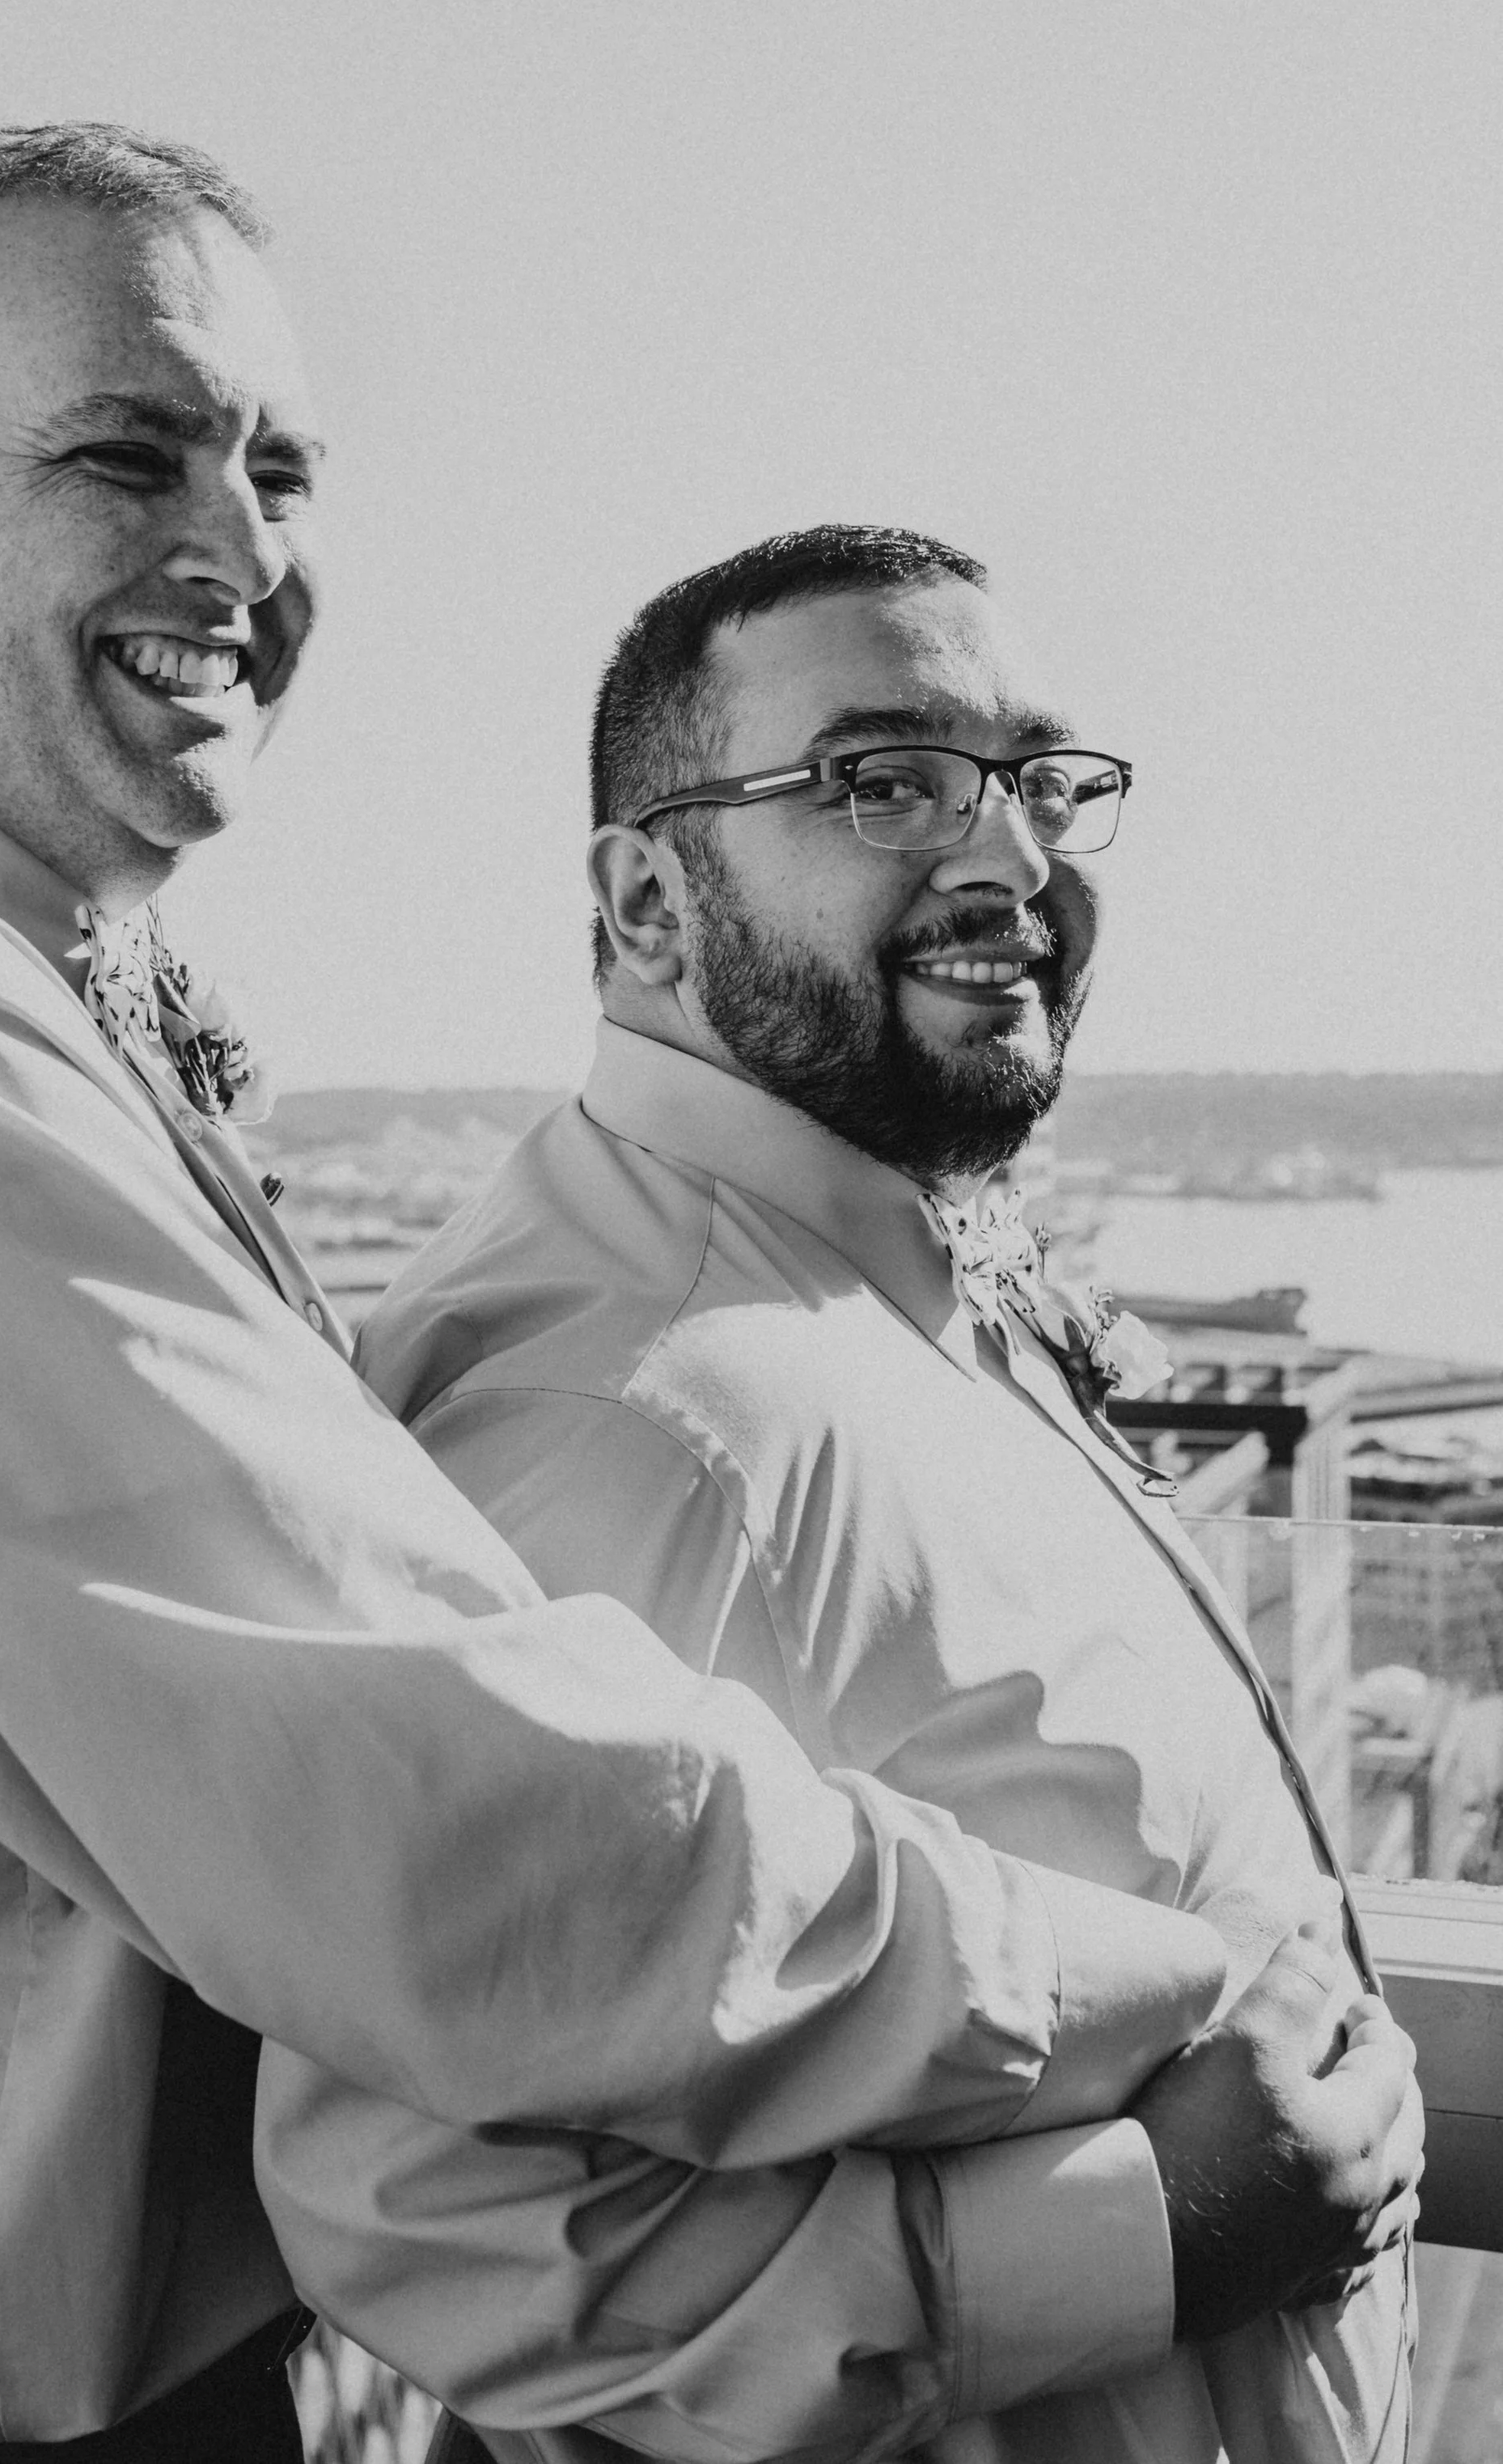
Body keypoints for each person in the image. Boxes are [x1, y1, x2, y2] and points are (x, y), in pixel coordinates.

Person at [0, 135, 1403, 2464]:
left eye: (281, 467)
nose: (248, 551)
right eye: (127, 450)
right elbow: (440, 1832)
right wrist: (1182, 2033)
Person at [257, 525, 1422, 2462]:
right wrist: (1156, 2232)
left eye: (1033, 782)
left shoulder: (867, 1304)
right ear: (644, 902)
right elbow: (423, 2209)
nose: (1005, 858)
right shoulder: (629, 1415)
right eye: (881, 782)